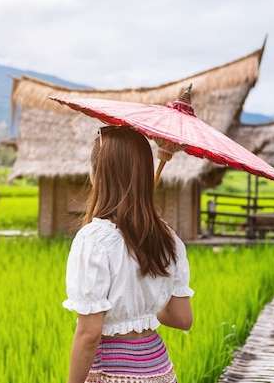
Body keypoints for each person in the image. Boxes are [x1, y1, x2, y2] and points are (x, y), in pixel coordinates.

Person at [63, 126, 194, 383]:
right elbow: (182, 318)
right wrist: (141, 309)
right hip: (159, 369)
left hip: (114, 373)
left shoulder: (94, 240)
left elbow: (89, 333)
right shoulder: (168, 237)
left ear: (96, 175)